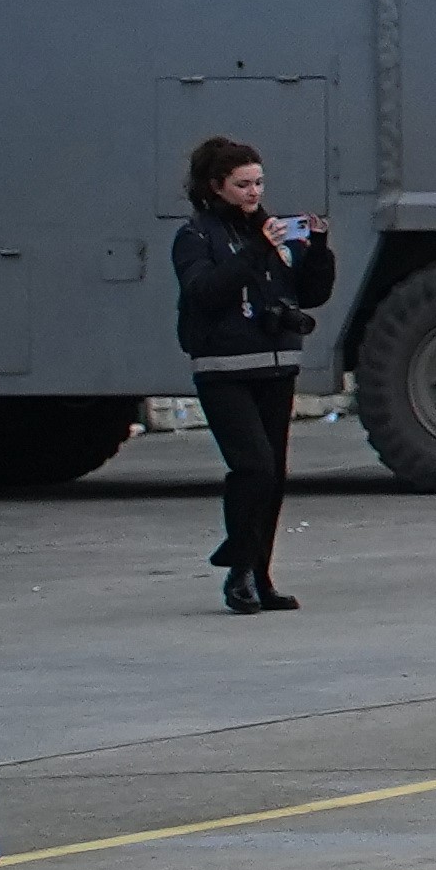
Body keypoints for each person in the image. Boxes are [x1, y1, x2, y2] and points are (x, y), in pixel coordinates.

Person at [170, 134, 335, 615]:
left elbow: (310, 294)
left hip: (276, 365)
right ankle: (239, 570)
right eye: (243, 184)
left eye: (259, 182)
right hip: (224, 369)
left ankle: (258, 574)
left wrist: (318, 247)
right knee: (254, 467)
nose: (253, 192)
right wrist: (255, 253)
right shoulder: (197, 236)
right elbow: (204, 291)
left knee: (274, 476)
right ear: (216, 186)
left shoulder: (273, 232)